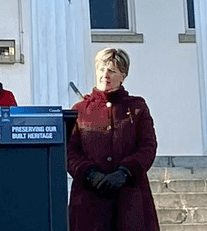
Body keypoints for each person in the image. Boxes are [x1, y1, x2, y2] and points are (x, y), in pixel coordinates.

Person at [67, 48, 159, 231]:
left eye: (112, 71)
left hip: (129, 201)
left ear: (123, 75)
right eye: (101, 70)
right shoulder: (80, 109)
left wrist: (125, 172)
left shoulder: (137, 107)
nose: (105, 75)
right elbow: (70, 151)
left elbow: (147, 146)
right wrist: (89, 173)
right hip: (89, 202)